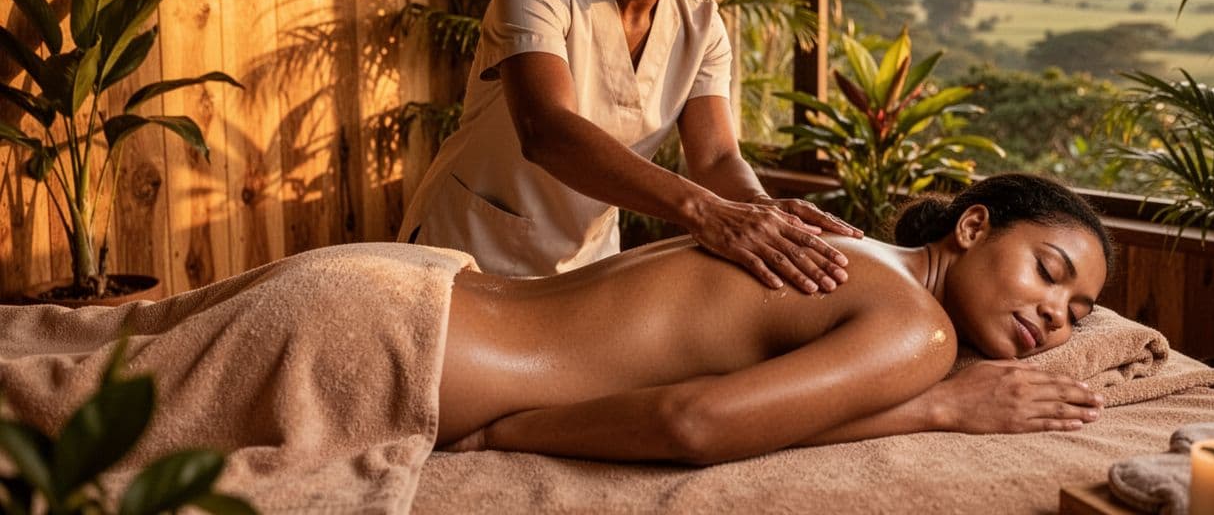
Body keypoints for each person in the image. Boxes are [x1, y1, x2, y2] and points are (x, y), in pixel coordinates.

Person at [399, 0, 859, 294]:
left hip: (586, 267)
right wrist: (704, 212)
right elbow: (546, 130)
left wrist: (758, 208)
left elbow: (718, 158)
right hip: (470, 253)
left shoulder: (703, 29)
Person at [436, 174, 1114, 464]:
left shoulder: (837, 241)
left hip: (430, 288)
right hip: (430, 355)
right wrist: (509, 433)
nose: (1055, 313)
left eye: (1077, 315)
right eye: (1048, 273)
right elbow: (695, 424)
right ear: (972, 227)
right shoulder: (921, 330)